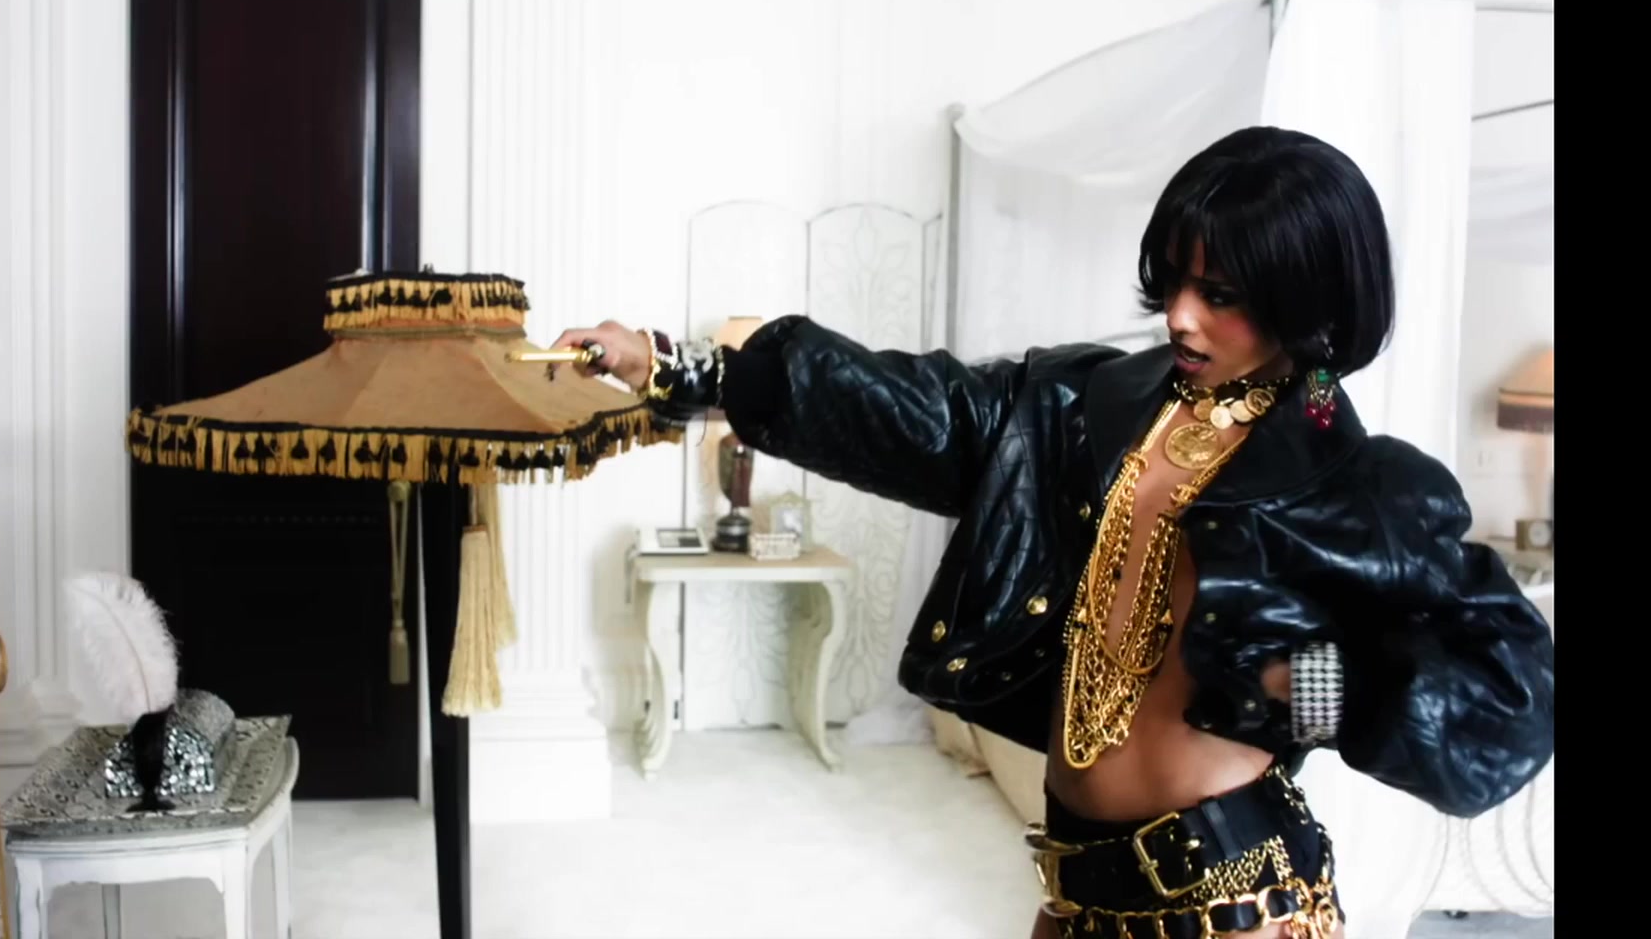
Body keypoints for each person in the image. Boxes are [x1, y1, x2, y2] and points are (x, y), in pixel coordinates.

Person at [553, 126, 1555, 939]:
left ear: (1309, 303)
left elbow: (1510, 707)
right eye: (1172, 283)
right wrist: (682, 367)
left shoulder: (1364, 486)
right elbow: (904, 408)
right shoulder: (1080, 402)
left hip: (1237, 903)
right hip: (1077, 892)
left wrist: (1313, 687)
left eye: (1220, 295)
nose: (1180, 317)